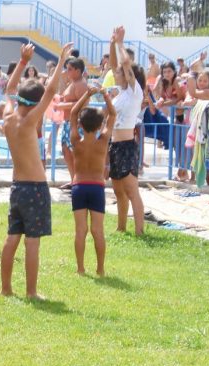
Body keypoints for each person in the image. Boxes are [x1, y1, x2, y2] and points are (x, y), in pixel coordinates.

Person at [0, 41, 71, 299]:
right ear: (34, 103)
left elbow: (8, 89)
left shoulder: (8, 116)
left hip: (17, 187)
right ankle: (31, 292)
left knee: (12, 238)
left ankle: (5, 288)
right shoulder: (29, 120)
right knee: (32, 242)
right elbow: (51, 90)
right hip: (35, 188)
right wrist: (61, 60)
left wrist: (22, 61)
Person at [103, 27, 146, 235]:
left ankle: (139, 230)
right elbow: (114, 65)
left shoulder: (134, 92)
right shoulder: (120, 93)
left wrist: (120, 43)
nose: (116, 73)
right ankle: (121, 227)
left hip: (127, 146)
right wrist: (111, 43)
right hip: (115, 145)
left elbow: (124, 64)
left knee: (131, 190)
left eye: (120, 72)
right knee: (118, 190)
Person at [69, 85, 115, 276]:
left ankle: (80, 268)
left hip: (79, 186)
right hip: (96, 187)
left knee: (81, 230)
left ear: (80, 125)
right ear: (100, 125)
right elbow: (112, 114)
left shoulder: (75, 140)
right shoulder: (103, 140)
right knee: (98, 230)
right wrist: (104, 94)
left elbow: (72, 113)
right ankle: (100, 268)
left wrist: (87, 94)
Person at [54, 57, 88, 188]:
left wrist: (62, 105)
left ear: (78, 71)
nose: (66, 71)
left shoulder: (81, 84)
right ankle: (73, 179)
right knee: (66, 151)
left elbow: (82, 103)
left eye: (69, 69)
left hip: (77, 123)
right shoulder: (73, 82)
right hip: (68, 122)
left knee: (75, 153)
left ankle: (79, 181)